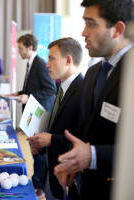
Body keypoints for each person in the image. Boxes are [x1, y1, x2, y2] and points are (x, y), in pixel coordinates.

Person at [54, 1, 134, 200]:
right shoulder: (92, 73)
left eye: (91, 24)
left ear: (117, 29)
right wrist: (75, 159)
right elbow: (86, 130)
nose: (83, 33)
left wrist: (93, 156)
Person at [27, 37, 84, 200]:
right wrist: (42, 145)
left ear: (68, 60)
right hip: (51, 172)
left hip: (67, 177)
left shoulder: (83, 91)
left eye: (52, 58)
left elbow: (82, 139)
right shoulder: (61, 88)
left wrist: (51, 140)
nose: (47, 64)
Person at [12, 33, 56, 199]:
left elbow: (50, 90)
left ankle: (39, 186)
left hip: (39, 115)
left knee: (38, 152)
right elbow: (33, 87)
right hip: (33, 114)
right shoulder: (32, 63)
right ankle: (37, 182)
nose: (19, 51)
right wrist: (21, 93)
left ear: (30, 47)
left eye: (21, 48)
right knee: (34, 150)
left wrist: (29, 97)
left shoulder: (40, 63)